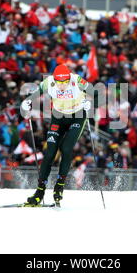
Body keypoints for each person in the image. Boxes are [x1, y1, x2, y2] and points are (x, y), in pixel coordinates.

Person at [21, 64, 97, 206]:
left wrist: (90, 104)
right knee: (49, 153)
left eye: (65, 82)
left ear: (69, 79)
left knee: (66, 148)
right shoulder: (49, 82)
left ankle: (59, 186)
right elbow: (34, 94)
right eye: (59, 82)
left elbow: (95, 92)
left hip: (78, 116)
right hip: (58, 117)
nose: (62, 85)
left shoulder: (76, 80)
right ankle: (39, 191)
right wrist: (27, 102)